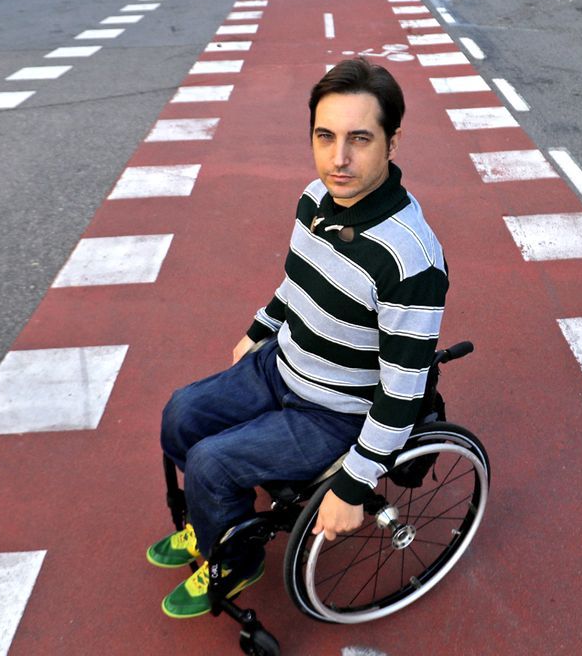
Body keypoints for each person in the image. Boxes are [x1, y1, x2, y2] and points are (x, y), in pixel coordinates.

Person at [148, 58, 449, 619]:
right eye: (325, 136)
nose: (338, 159)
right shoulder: (315, 199)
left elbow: (403, 394)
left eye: (360, 139)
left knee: (211, 462)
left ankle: (236, 559)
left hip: (335, 411)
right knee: (180, 414)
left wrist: (354, 486)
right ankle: (212, 521)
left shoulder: (411, 261)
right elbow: (297, 278)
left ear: (393, 142)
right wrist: (260, 329)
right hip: (282, 364)